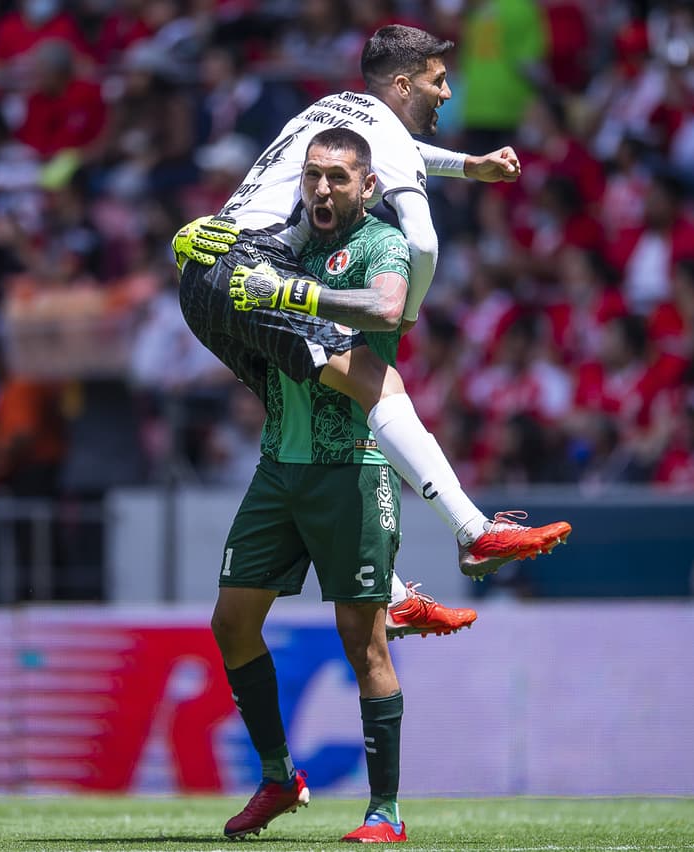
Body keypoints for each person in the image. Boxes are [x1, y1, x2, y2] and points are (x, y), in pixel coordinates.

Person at [172, 25, 572, 593]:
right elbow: (424, 242)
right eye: (439, 81)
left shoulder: (331, 112)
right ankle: (473, 531)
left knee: (319, 416)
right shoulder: (378, 134)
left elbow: (393, 153)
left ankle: (389, 594)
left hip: (203, 274)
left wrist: (467, 165)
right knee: (379, 387)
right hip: (251, 270)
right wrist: (407, 311)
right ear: (404, 85)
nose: (449, 93)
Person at [215, 129, 424, 844]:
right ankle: (279, 778)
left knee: (362, 643)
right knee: (232, 624)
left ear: (367, 186)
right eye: (313, 176)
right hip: (279, 465)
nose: (324, 189)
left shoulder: (381, 244)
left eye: (339, 177)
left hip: (351, 467)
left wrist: (294, 291)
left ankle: (384, 812)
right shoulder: (278, 241)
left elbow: (388, 310)